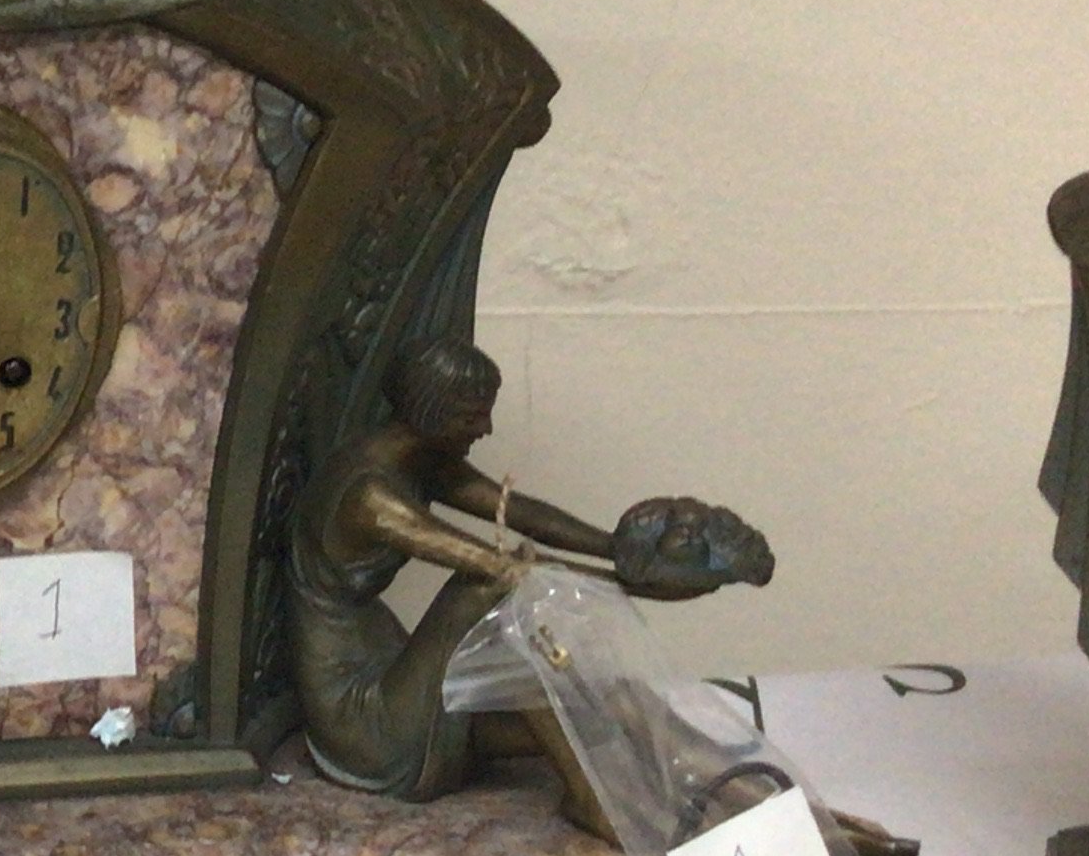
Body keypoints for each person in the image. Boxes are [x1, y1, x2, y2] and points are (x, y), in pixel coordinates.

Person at [289, 336, 771, 811]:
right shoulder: (369, 498)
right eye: (471, 417)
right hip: (363, 721)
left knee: (618, 700)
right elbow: (500, 568)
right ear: (430, 414)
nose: (486, 429)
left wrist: (618, 549)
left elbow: (524, 514)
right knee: (481, 590)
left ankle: (749, 792)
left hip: (395, 671)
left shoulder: (418, 461)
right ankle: (589, 802)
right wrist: (635, 585)